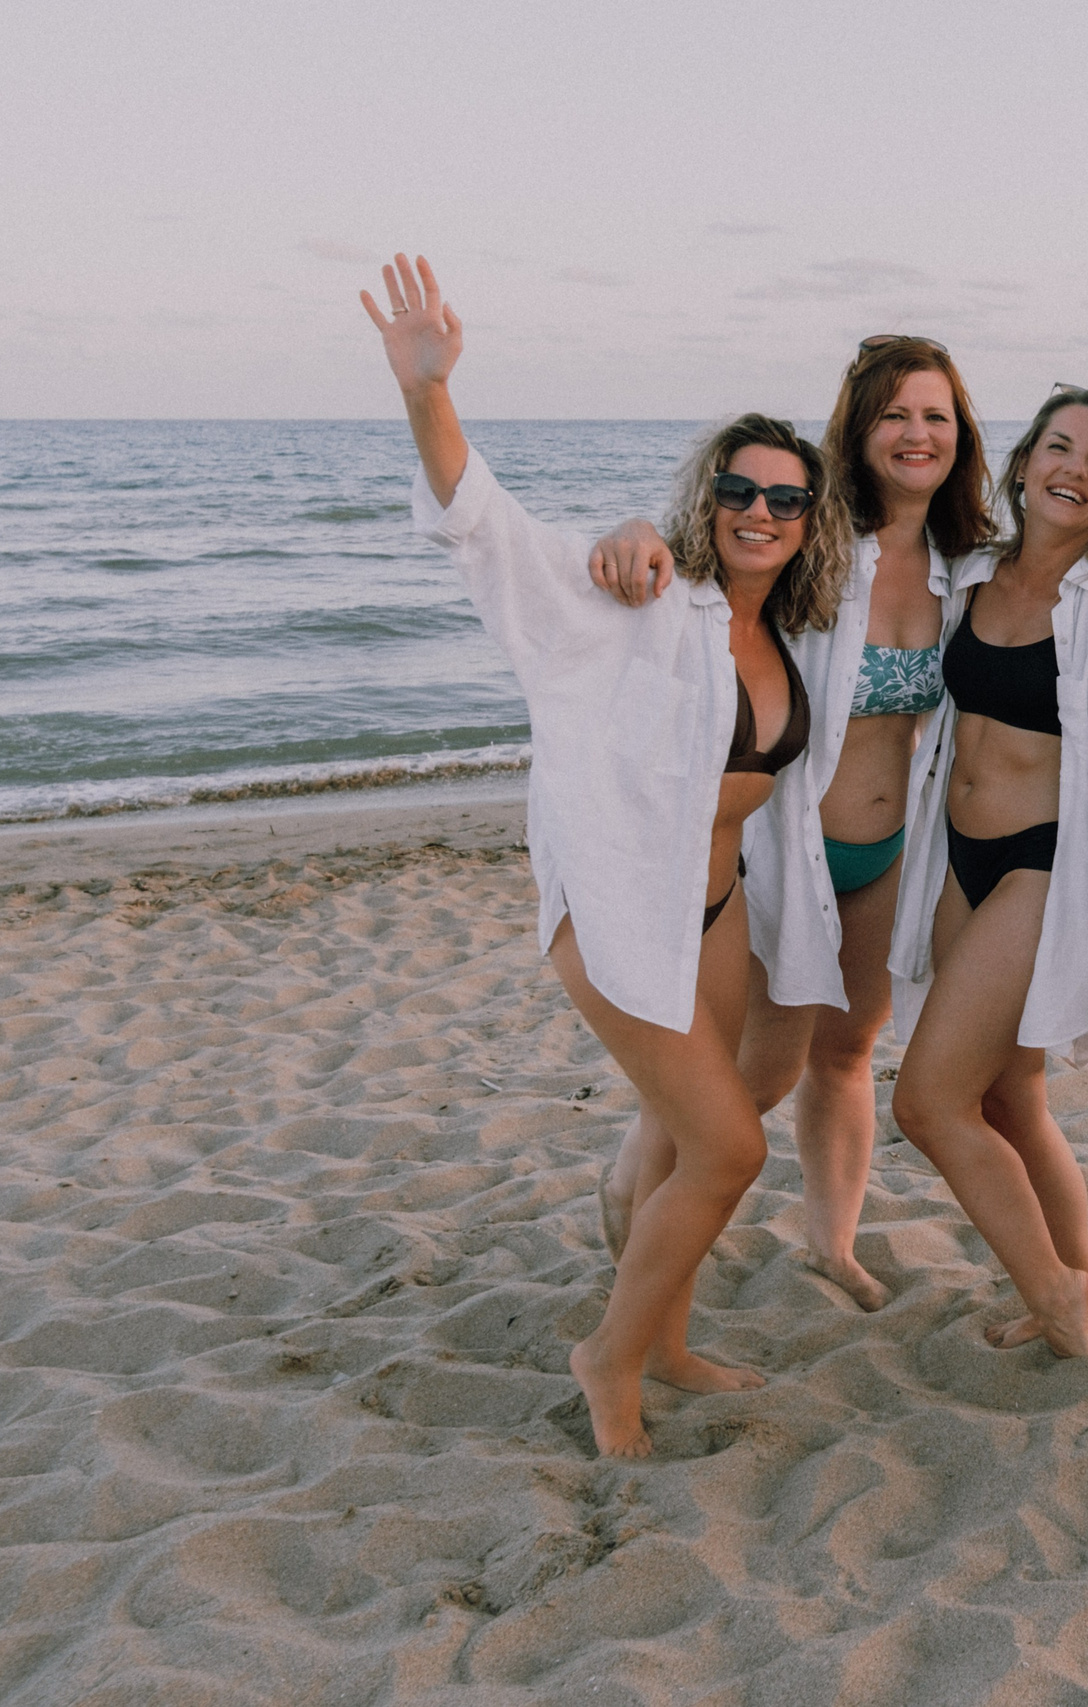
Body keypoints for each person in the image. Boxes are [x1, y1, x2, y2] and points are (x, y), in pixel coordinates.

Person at [360, 255, 849, 1457]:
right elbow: (486, 531)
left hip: (720, 908)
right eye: (739, 488)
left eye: (786, 500)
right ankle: (610, 1358)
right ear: (708, 495)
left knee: (687, 1142)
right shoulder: (634, 600)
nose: (759, 512)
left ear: (808, 522)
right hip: (619, 913)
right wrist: (427, 393)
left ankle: (669, 1340)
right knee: (730, 1147)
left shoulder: (792, 639)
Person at [587, 337, 991, 1311]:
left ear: (959, 434)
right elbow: (707, 563)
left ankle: (832, 1243)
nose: (915, 433)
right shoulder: (814, 536)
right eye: (894, 413)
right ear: (858, 425)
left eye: (934, 415)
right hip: (784, 851)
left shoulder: (967, 562)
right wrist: (634, 527)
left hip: (894, 854)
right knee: (746, 1079)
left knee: (849, 1053)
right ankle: (631, 1193)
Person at [885, 389, 1088, 1358]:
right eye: (1059, 448)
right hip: (955, 861)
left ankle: (1054, 1293)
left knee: (928, 1103)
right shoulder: (975, 572)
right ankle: (1081, 1290)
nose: (1074, 469)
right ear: (1024, 463)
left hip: (1038, 865)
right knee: (1007, 1099)